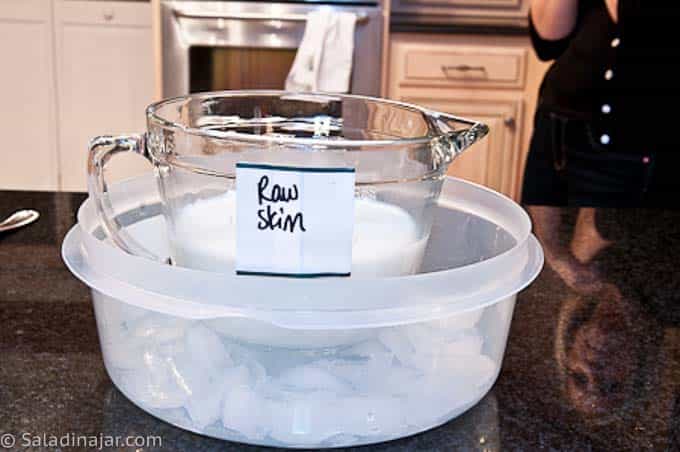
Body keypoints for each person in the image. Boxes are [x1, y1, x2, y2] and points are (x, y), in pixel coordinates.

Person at [522, 1, 680, 282]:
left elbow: (643, 27)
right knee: (540, 270)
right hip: (556, 127)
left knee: (602, 283)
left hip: (628, 142)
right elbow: (549, 41)